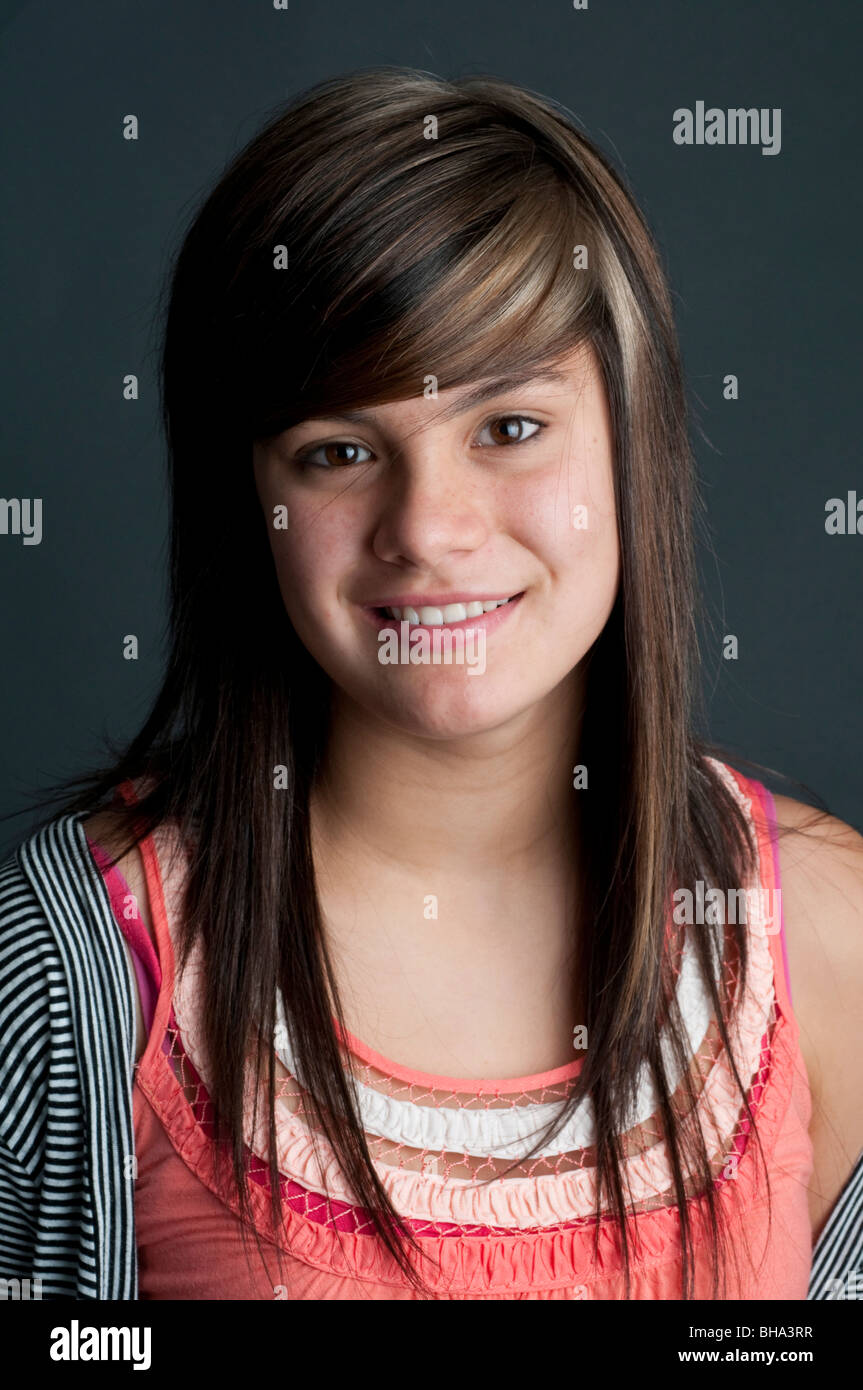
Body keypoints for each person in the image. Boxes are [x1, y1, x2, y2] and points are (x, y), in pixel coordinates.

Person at [1, 67, 861, 1302]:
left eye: (507, 426)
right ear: (256, 500)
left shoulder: (826, 936)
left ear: (633, 438)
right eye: (340, 451)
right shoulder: (68, 971)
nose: (430, 528)